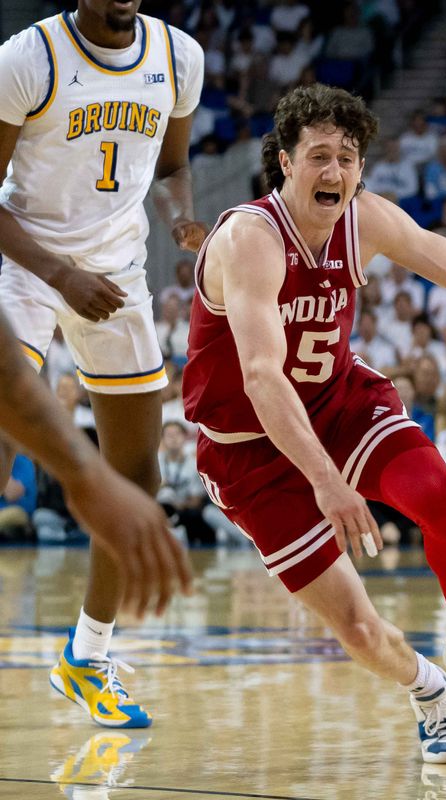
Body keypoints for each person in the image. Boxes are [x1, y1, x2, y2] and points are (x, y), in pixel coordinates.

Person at [182, 84, 446, 764]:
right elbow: (261, 377)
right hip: (250, 450)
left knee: (440, 496)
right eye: (318, 156)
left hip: (340, 405)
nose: (335, 172)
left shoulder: (366, 219)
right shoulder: (249, 240)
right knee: (357, 627)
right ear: (284, 163)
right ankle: (432, 693)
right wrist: (325, 481)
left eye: (348, 157)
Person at [0, 0, 205, 729]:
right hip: (25, 266)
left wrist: (181, 214)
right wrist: (59, 275)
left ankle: (87, 657)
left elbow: (174, 163)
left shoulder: (180, 56)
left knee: (138, 476)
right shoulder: (28, 58)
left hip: (117, 271)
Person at [0, 314, 191, 617]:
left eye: (68, 390)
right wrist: (85, 477)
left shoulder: (87, 421)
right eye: (60, 391)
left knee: (141, 472)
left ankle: (89, 650)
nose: (64, 394)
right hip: (34, 275)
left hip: (116, 275)